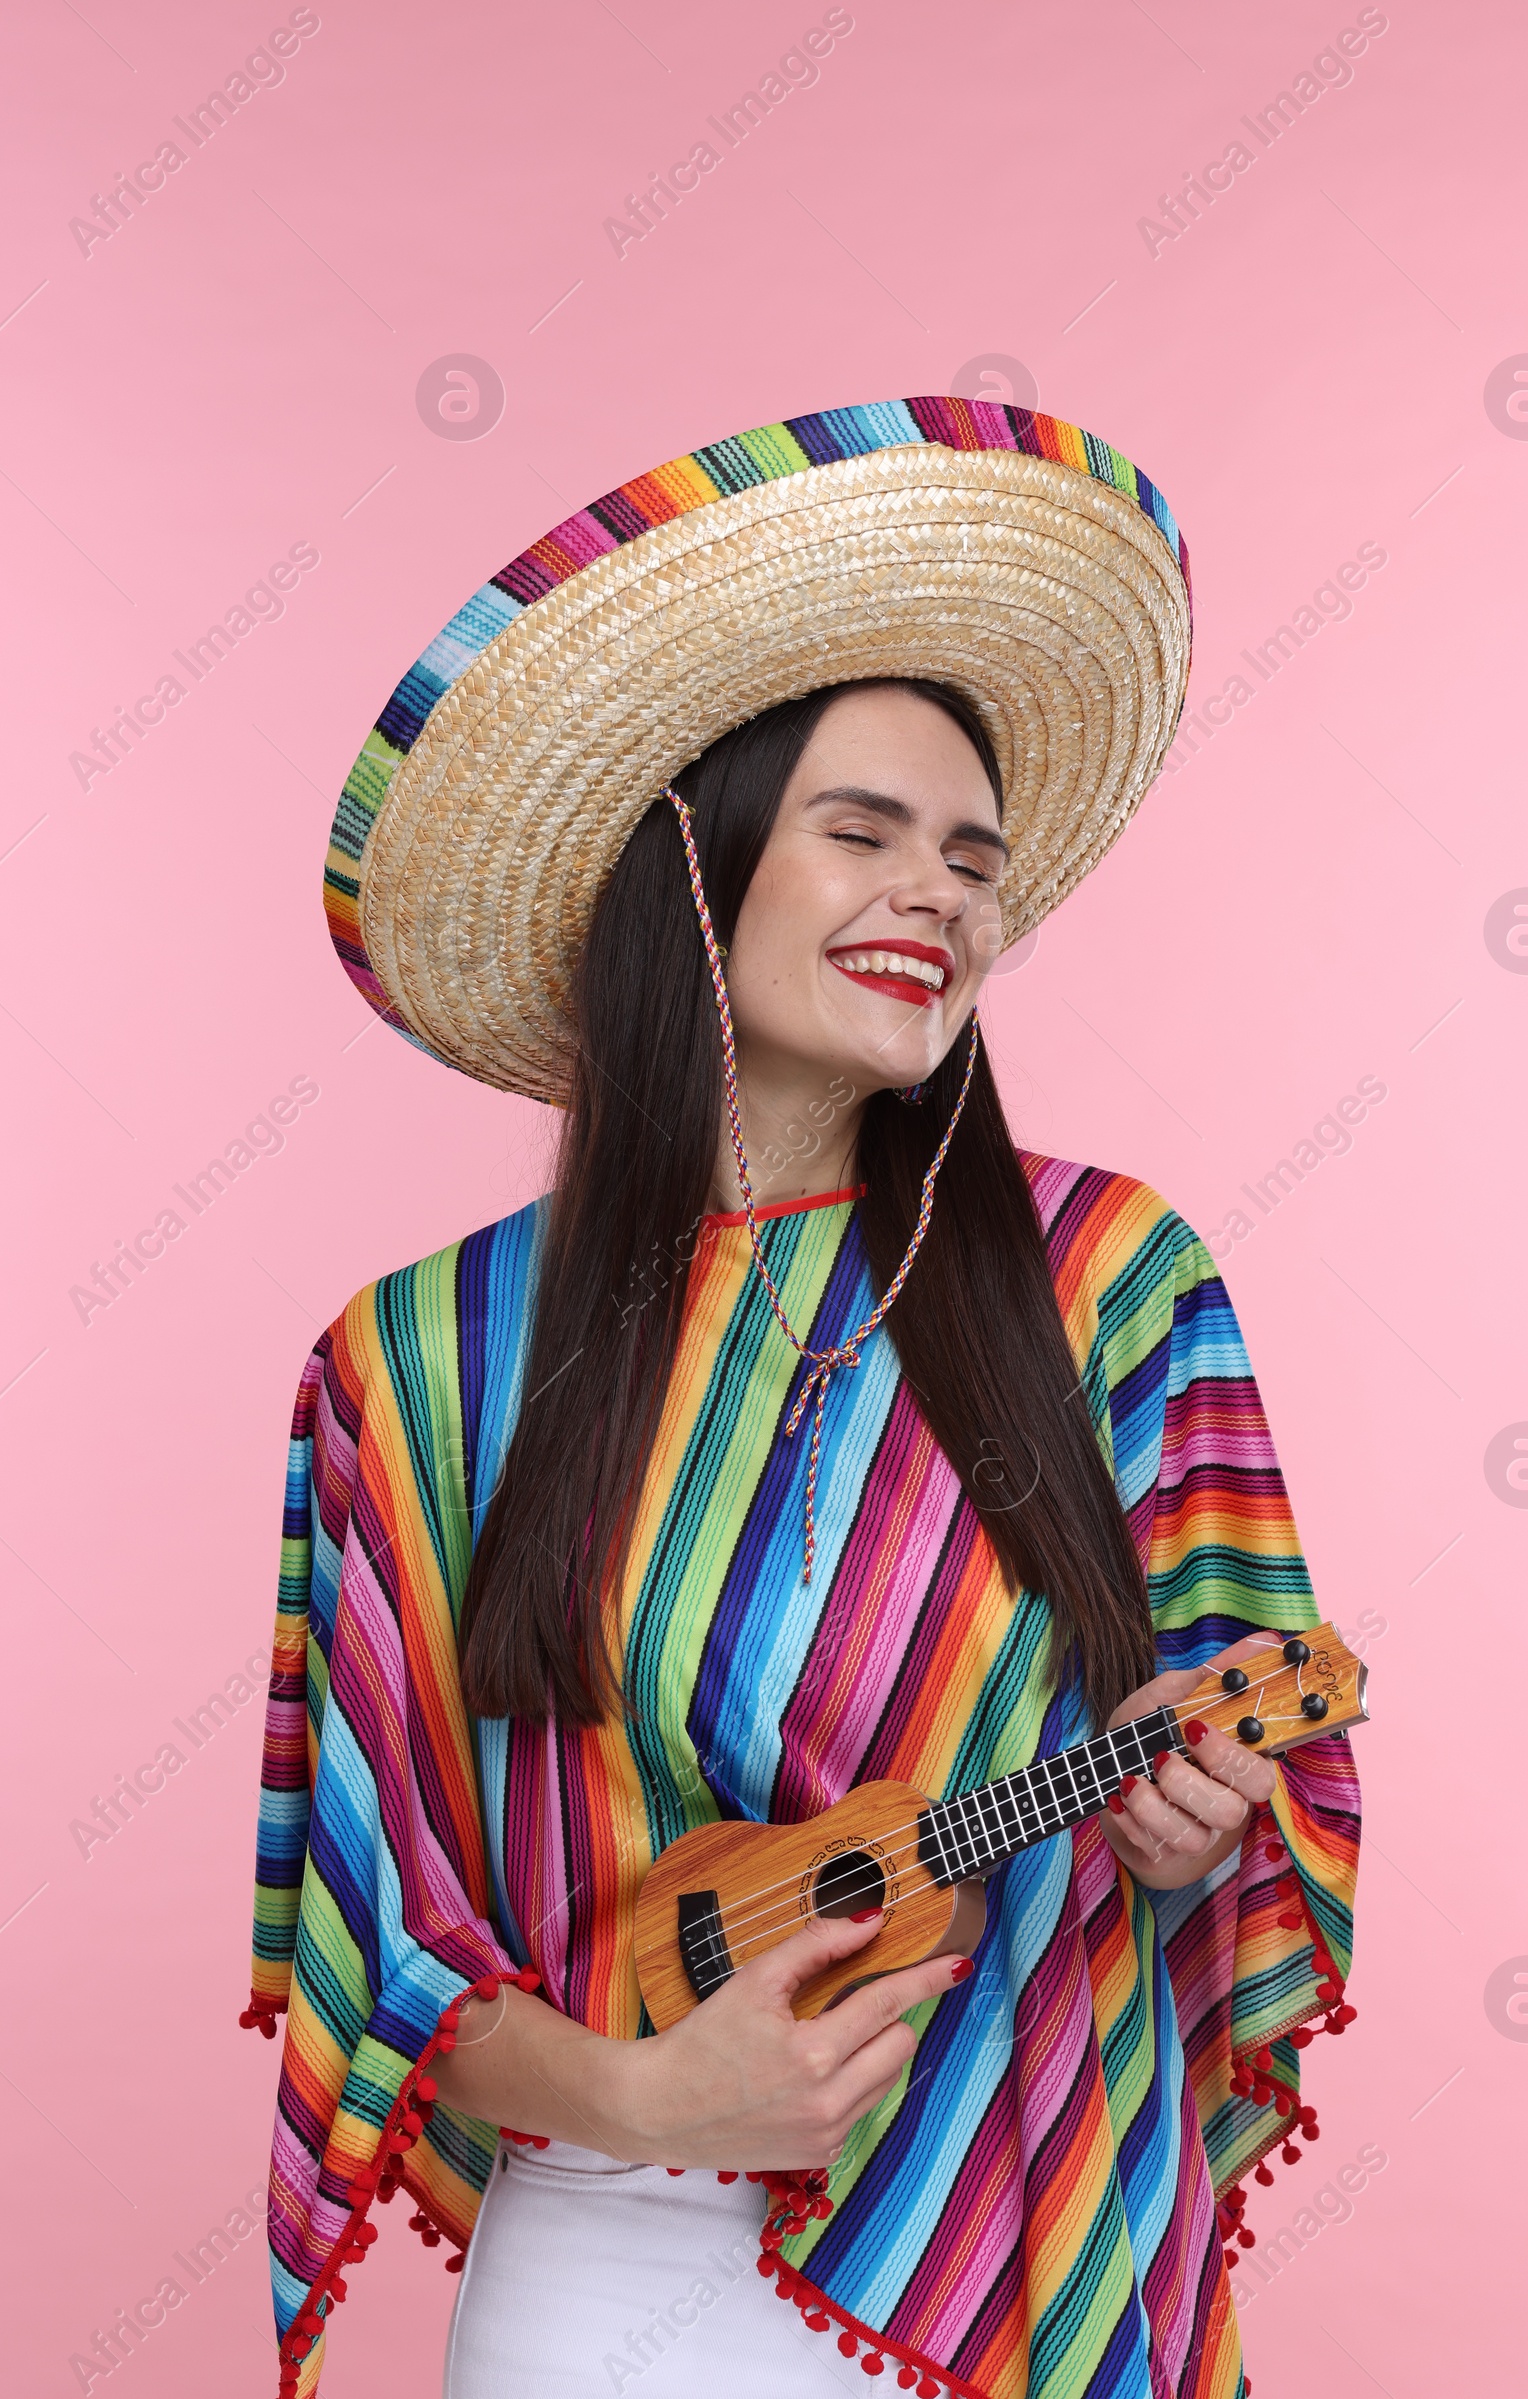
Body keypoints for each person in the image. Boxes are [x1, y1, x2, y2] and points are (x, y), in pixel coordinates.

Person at [244, 399, 1360, 2399]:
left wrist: (1195, 1829)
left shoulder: (1113, 1284)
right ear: (687, 853)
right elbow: (389, 1933)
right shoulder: (415, 1369)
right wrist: (647, 2099)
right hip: (606, 2283)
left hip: (1034, 2245)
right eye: (858, 831)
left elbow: (1250, 1782)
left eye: (969, 857)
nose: (931, 894)